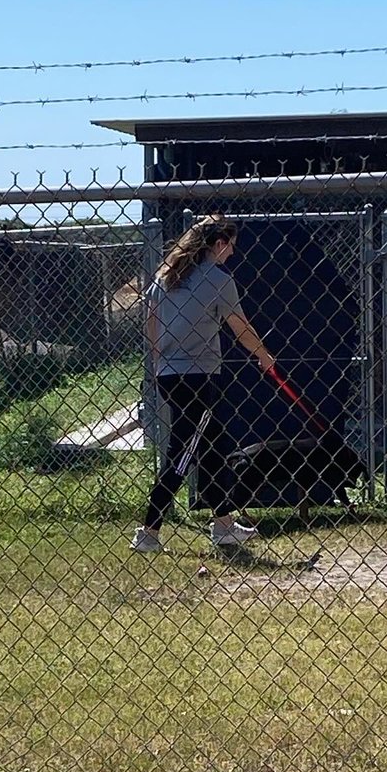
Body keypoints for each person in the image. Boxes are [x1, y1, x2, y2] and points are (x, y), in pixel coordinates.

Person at [131, 214, 275, 553]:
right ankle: (148, 532)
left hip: (168, 373)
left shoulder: (164, 277)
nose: (232, 255)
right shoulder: (218, 279)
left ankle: (223, 525)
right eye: (231, 248)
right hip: (199, 376)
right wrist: (264, 355)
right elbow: (240, 326)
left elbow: (151, 325)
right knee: (182, 454)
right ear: (219, 244)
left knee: (213, 448)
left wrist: (159, 361)